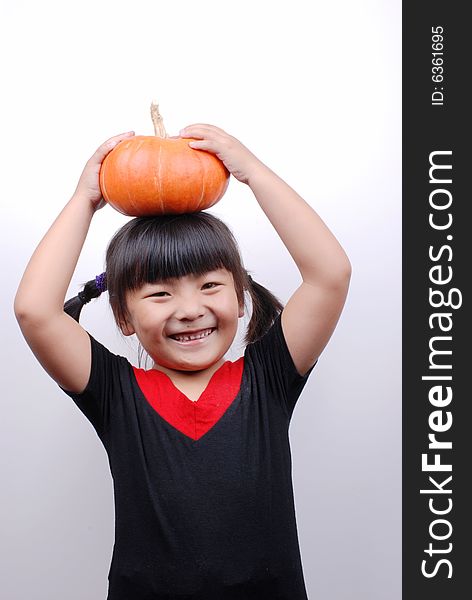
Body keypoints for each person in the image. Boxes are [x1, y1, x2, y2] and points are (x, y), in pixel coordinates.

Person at [14, 124, 351, 599]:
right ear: (124, 317)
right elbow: (35, 310)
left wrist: (252, 173)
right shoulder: (117, 394)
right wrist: (84, 201)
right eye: (159, 293)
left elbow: (330, 274)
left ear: (240, 298)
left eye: (210, 285)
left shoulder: (269, 377)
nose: (189, 308)